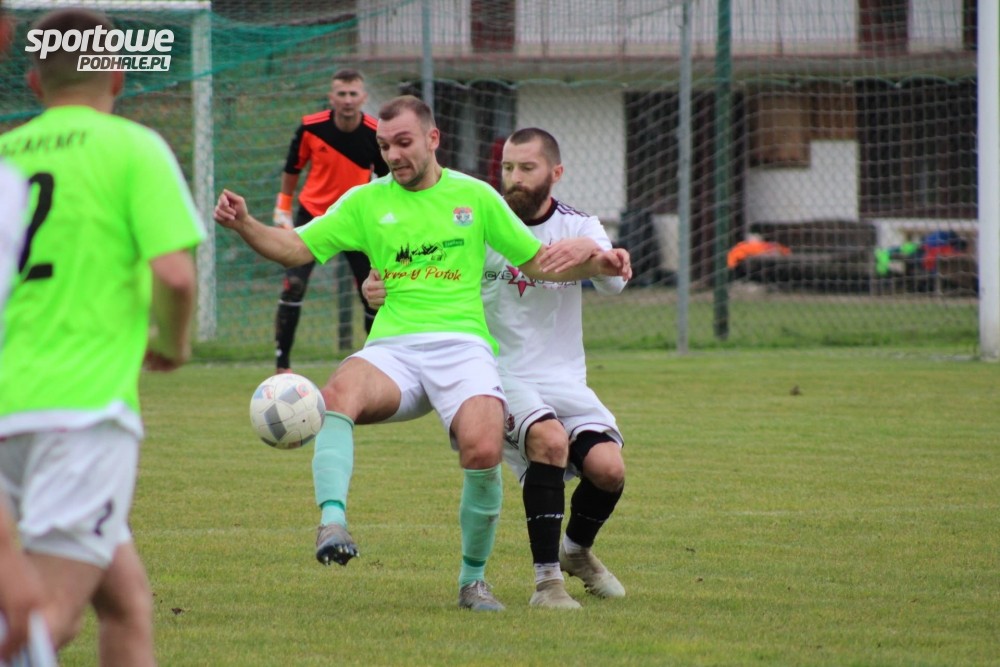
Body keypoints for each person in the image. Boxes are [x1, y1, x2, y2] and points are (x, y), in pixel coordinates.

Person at [213, 95, 631, 612]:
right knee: (337, 396)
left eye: (403, 143)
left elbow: (539, 263)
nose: (393, 155)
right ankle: (332, 521)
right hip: (395, 348)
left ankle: (472, 583)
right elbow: (295, 247)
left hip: (465, 349)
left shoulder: (475, 197)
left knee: (482, 447)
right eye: (384, 145)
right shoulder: (364, 202)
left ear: (433, 139)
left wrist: (601, 263)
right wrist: (245, 224)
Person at [0, 8, 204, 665]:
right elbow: (175, 275)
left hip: (8, 404)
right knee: (46, 620)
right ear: (117, 76)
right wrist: (173, 345)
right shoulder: (133, 147)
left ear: (34, 81)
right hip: (82, 413)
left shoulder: (6, 155)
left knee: (126, 601)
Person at [364, 127, 629, 609]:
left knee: (608, 470)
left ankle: (575, 551)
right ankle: (547, 585)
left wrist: (597, 255)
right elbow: (417, 267)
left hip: (564, 378)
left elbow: (614, 280)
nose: (514, 177)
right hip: (495, 372)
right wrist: (378, 286)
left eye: (527, 168)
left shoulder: (578, 225)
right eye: (508, 167)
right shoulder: (479, 221)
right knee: (549, 441)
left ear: (555, 172)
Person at [272, 68, 389, 373]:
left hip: (357, 221)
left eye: (353, 94)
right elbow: (292, 167)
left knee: (373, 292)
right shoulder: (311, 127)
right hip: (313, 215)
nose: (347, 100)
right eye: (342, 94)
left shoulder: (375, 133)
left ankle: (378, 362)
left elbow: (385, 180)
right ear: (331, 97)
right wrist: (283, 207)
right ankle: (282, 367)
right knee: (293, 286)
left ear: (363, 97)